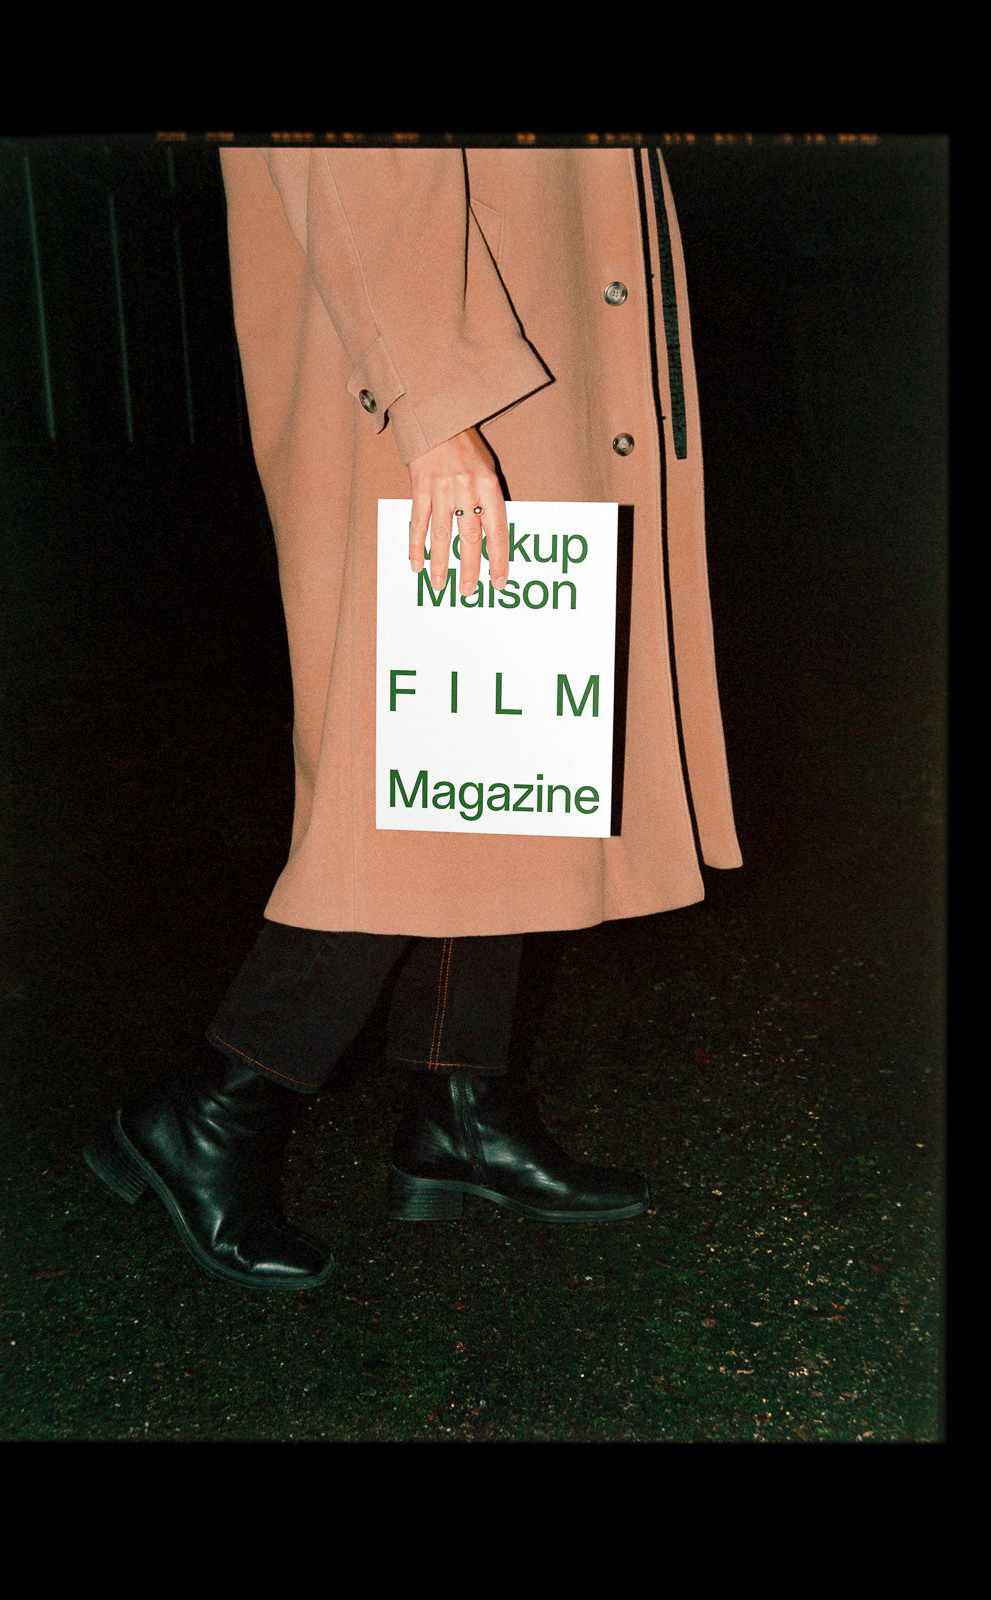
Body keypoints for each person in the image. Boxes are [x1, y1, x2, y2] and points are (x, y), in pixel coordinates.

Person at [84, 143, 741, 1290]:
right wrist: (434, 411)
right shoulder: (432, 395)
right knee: (403, 787)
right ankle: (213, 1109)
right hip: (427, 372)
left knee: (498, 751)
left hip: (508, 342)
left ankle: (460, 1102)